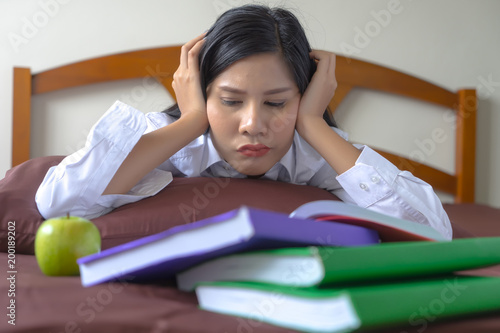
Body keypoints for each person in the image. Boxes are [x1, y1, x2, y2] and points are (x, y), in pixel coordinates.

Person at [35, 4, 452, 239]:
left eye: (276, 103)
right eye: (230, 101)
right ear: (199, 91)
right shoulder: (168, 142)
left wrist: (313, 125)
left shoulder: (313, 154)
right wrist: (192, 120)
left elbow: (434, 232)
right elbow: (62, 206)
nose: (253, 124)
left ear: (305, 97)